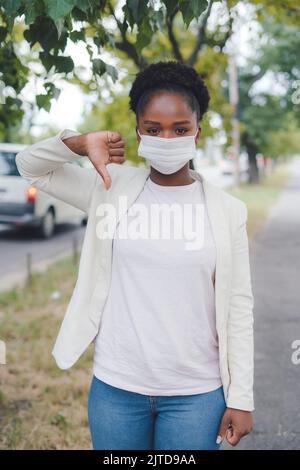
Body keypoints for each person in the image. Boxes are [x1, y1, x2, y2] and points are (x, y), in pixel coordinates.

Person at [16, 60, 254, 450]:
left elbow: (239, 307)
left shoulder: (228, 211)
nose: (167, 137)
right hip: (117, 388)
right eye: (153, 129)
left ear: (198, 131)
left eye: (180, 129)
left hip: (196, 393)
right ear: (138, 132)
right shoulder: (110, 186)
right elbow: (30, 168)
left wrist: (242, 397)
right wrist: (79, 143)